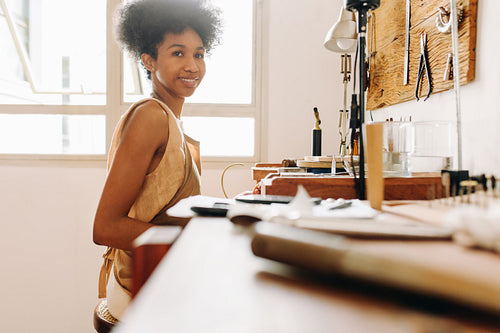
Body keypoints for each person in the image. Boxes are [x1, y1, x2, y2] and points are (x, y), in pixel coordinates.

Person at [93, 0, 221, 320]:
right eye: (178, 53)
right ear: (148, 60)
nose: (192, 65)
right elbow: (105, 227)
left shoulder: (171, 119)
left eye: (199, 54)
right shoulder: (150, 116)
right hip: (139, 285)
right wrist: (195, 239)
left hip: (161, 274)